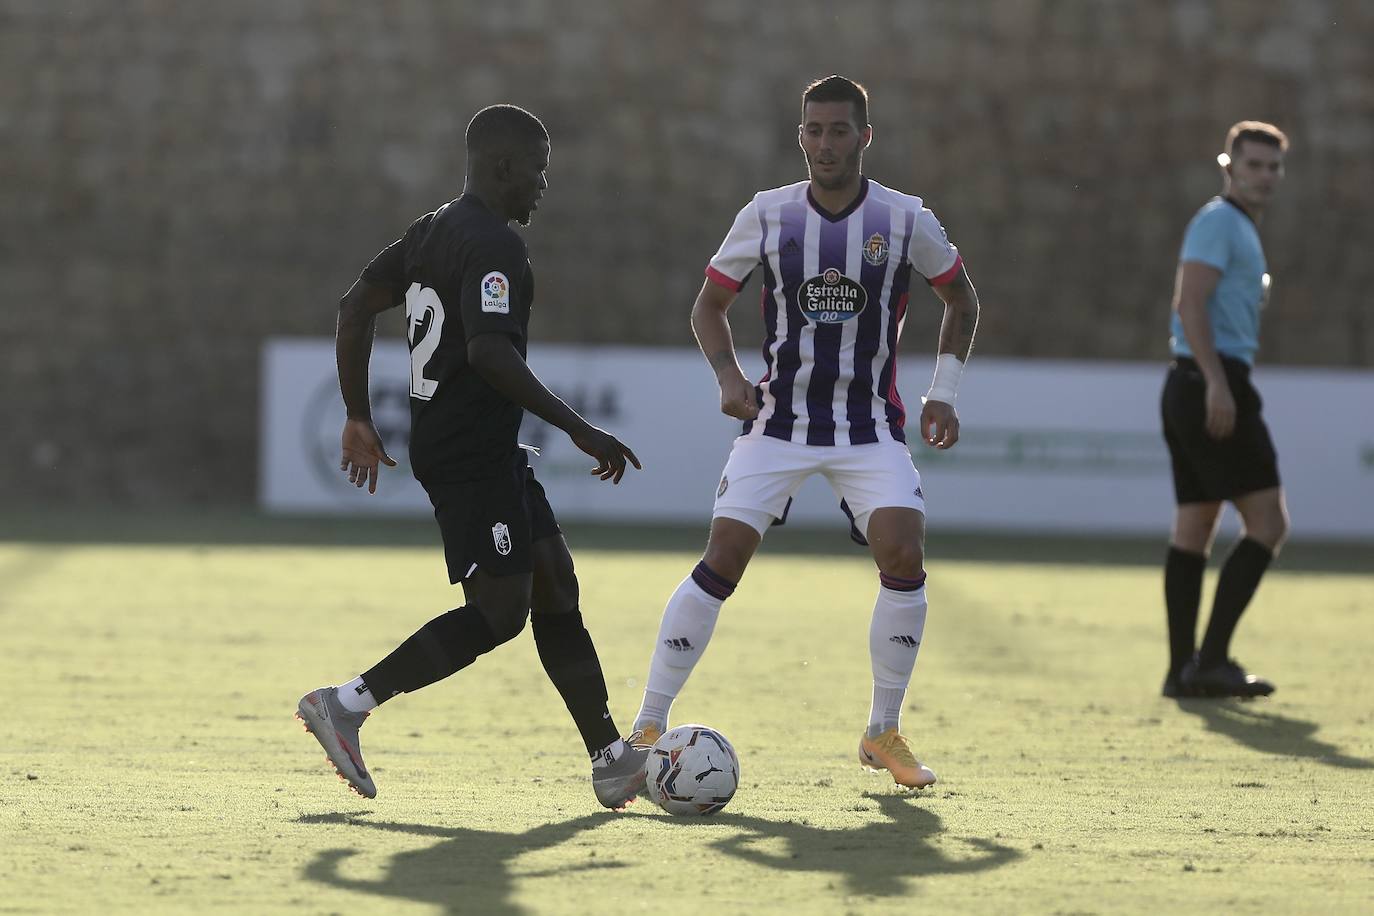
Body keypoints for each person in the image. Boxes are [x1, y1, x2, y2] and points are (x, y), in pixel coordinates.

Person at [628, 76, 981, 789]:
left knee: (904, 550)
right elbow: (708, 307)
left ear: (865, 137)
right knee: (722, 556)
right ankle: (648, 724)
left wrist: (942, 393)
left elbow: (960, 298)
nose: (825, 144)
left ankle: (882, 731)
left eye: (839, 131)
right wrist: (729, 379)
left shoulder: (905, 218)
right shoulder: (767, 214)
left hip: (867, 425)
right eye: (814, 131)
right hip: (778, 421)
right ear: (801, 137)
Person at [295, 104, 650, 808]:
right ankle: (346, 703)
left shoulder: (431, 230)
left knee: (553, 579)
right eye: (539, 173)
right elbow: (488, 351)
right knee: (499, 613)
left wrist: (359, 415)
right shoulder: (495, 247)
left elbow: (352, 308)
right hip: (468, 454)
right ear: (506, 167)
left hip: (483, 446)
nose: (543, 189)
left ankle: (611, 758)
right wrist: (580, 429)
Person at [1160, 121, 1290, 699]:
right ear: (1229, 167)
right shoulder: (1220, 221)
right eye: (1253, 164)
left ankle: (1182, 671)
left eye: (1272, 166)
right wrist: (1217, 383)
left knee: (1196, 524)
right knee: (1269, 523)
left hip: (1193, 382)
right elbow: (1189, 303)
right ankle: (1210, 662)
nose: (1264, 175)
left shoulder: (1235, 226)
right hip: (1210, 381)